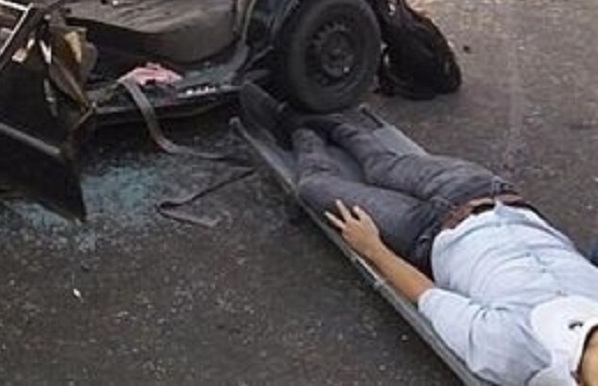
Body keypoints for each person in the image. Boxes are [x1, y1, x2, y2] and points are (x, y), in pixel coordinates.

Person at [239, 83, 598, 386]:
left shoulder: (512, 350)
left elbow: (428, 296)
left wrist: (373, 248)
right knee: (383, 165)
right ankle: (330, 123)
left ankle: (296, 126)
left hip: (427, 231)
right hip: (489, 191)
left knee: (316, 187)